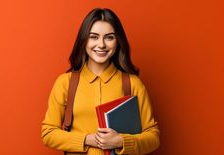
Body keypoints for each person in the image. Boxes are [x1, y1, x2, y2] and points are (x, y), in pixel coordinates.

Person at [41, 8, 160, 155]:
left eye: (109, 37)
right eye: (94, 37)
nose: (101, 44)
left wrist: (121, 141)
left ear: (118, 41)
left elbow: (153, 137)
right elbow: (48, 133)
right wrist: (89, 140)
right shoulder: (65, 82)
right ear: (84, 40)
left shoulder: (133, 83)